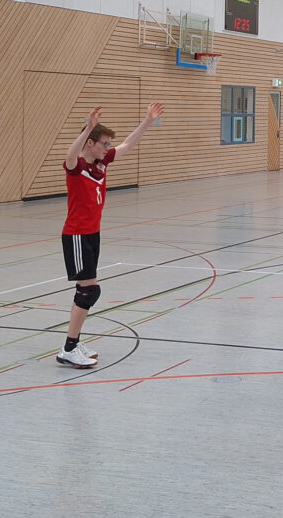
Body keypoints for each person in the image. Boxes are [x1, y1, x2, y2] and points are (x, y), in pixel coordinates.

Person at [57, 103, 164, 368]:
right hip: (77, 235)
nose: (107, 148)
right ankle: (68, 348)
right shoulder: (77, 166)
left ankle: (73, 343)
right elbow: (70, 154)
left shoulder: (101, 164)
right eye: (103, 143)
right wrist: (88, 128)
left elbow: (127, 145)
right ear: (90, 142)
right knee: (89, 291)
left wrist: (147, 121)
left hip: (92, 234)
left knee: (87, 290)